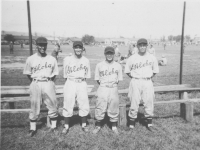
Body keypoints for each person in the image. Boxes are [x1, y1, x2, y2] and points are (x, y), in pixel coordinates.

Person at [23, 37, 59, 137]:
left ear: (46, 45)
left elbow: (55, 73)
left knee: (52, 104)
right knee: (34, 105)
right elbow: (28, 73)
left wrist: (49, 82)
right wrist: (35, 81)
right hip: (36, 82)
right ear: (36, 45)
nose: (42, 47)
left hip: (48, 82)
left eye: (44, 45)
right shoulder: (31, 59)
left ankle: (54, 127)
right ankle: (32, 128)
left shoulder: (52, 59)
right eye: (40, 45)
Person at [124, 38, 159, 131]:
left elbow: (155, 71)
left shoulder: (152, 57)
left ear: (146, 46)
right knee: (134, 102)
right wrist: (135, 77)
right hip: (135, 81)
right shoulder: (132, 57)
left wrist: (148, 77)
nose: (142, 47)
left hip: (147, 81)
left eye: (144, 45)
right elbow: (127, 71)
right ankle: (131, 125)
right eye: (140, 45)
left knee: (149, 102)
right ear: (137, 46)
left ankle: (149, 125)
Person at [62, 41, 91, 134]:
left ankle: (84, 125)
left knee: (83, 102)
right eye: (76, 47)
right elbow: (65, 75)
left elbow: (87, 75)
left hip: (81, 82)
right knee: (68, 102)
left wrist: (81, 82)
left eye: (80, 47)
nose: (78, 49)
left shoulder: (86, 60)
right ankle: (66, 126)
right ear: (73, 48)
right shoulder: (67, 59)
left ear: (82, 48)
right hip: (70, 81)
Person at [93, 46, 123, 135]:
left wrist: (112, 86)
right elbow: (97, 79)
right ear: (105, 54)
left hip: (113, 87)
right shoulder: (99, 65)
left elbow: (118, 80)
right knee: (100, 106)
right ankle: (98, 126)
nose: (109, 55)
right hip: (103, 87)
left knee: (114, 106)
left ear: (114, 54)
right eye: (107, 53)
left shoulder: (118, 65)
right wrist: (104, 86)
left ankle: (114, 127)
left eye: (111, 53)